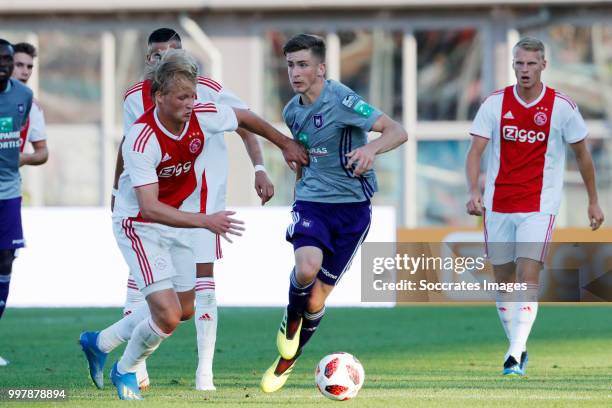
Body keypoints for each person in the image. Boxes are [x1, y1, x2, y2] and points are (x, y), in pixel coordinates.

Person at [79, 49, 307, 400]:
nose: (190, 103)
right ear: (160, 97)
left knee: (185, 309)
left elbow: (246, 119)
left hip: (179, 220)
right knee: (168, 315)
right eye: (182, 97)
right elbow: (150, 208)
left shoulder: (203, 115)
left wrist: (285, 144)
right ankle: (124, 371)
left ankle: (101, 341)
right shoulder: (143, 140)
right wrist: (206, 220)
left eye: (193, 96)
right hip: (139, 225)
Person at [118, 28, 275, 391]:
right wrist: (117, 190)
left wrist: (260, 167)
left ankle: (204, 373)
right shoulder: (135, 98)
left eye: (174, 50)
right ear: (150, 61)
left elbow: (245, 122)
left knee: (193, 299)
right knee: (144, 289)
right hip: (155, 206)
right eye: (159, 54)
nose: (166, 57)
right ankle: (135, 368)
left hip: (204, 204)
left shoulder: (209, 90)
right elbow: (129, 146)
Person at [260, 34, 408, 393]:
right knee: (306, 266)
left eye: (303, 64)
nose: (295, 72)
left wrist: (371, 150)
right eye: (291, 65)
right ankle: (291, 322)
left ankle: (287, 362)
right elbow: (305, 154)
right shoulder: (292, 111)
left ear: (321, 68)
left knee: (316, 299)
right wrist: (296, 175)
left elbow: (397, 131)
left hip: (353, 210)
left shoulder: (342, 99)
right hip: (312, 202)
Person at [465, 37, 604, 376]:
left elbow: (582, 156)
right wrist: (473, 191)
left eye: (531, 64)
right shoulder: (495, 104)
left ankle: (513, 354)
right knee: (503, 279)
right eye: (519, 64)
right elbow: (475, 153)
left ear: (544, 65)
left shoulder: (562, 107)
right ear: (513, 65)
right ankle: (519, 343)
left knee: (528, 274)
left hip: (539, 205)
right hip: (499, 204)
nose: (524, 70)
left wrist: (593, 201)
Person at [0, 39, 33, 367]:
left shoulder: (24, 97)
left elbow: (36, 148)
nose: (4, 65)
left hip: (9, 192)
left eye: (7, 60)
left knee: (6, 259)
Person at [12, 42, 48, 166]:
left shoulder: (33, 107)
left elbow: (42, 151)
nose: (25, 72)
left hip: (10, 182)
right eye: (19, 65)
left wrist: (24, 158)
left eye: (29, 67)